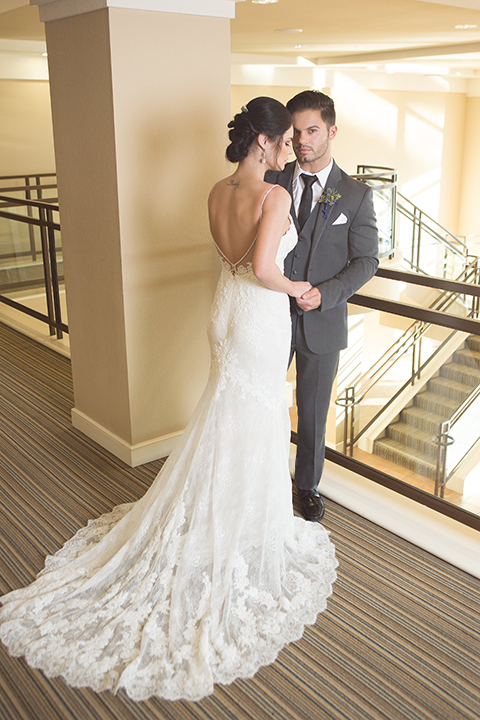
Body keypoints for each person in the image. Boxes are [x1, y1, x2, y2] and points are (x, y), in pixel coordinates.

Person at [0, 97, 337, 703]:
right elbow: (262, 267)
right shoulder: (276, 195)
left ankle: (223, 511)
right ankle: (242, 525)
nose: (290, 147)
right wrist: (300, 288)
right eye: (284, 139)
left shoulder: (215, 190)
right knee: (254, 418)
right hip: (259, 315)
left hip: (224, 313)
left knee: (224, 413)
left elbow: (231, 259)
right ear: (263, 142)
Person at [266, 90, 379, 523]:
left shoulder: (355, 195)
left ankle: (306, 486)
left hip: (322, 318)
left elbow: (366, 260)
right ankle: (263, 474)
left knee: (313, 408)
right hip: (270, 313)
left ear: (331, 131)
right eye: (295, 132)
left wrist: (326, 293)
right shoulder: (273, 180)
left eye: (312, 130)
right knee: (264, 396)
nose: (302, 140)